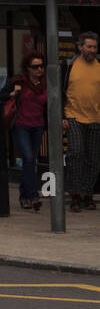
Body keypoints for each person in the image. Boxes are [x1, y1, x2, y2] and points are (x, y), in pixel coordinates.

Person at [64, 31, 100, 212]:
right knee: (76, 153)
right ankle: (75, 193)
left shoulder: (99, 65)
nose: (92, 50)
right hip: (74, 116)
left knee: (93, 159)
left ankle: (88, 192)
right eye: (89, 47)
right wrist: (62, 116)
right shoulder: (70, 65)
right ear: (80, 47)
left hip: (96, 118)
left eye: (94, 47)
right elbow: (60, 91)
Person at [8, 51, 47, 210]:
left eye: (41, 66)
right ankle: (33, 196)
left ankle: (24, 195)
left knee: (31, 162)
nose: (39, 69)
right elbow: (0, 96)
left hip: (38, 125)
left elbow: (50, 103)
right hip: (21, 125)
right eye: (35, 66)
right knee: (29, 158)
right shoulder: (19, 81)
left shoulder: (45, 83)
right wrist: (13, 93)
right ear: (27, 68)